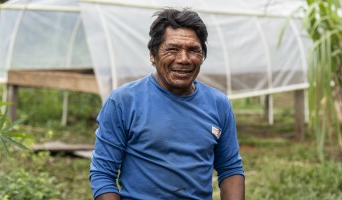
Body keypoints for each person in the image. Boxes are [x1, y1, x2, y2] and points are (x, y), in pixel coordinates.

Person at [90, 8, 245, 200]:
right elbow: (103, 174)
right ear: (153, 55)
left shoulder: (218, 103)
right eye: (172, 49)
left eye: (193, 50)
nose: (183, 59)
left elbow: (230, 169)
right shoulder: (124, 101)